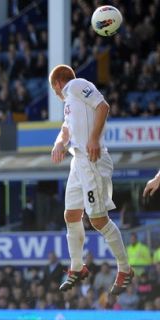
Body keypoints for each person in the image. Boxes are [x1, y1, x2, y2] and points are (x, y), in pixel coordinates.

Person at [49, 64, 132, 295]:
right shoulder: (70, 102)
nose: (55, 93)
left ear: (57, 83)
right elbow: (66, 129)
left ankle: (125, 269)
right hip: (78, 162)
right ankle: (77, 266)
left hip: (93, 159)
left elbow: (103, 106)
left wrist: (94, 138)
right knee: (71, 214)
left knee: (97, 220)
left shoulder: (76, 85)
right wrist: (59, 143)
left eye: (53, 88)